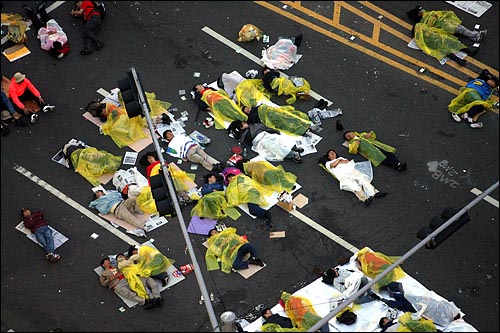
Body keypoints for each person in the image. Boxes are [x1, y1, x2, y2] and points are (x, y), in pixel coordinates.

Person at [407, 6, 485, 66]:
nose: (422, 11)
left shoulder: (419, 26)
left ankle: (461, 58)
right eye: (420, 11)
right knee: (450, 43)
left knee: (446, 46)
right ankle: (468, 51)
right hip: (436, 37)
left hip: (435, 38)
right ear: (418, 14)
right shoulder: (420, 25)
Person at [319, 149, 387, 206]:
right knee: (354, 186)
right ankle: (365, 199)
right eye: (330, 153)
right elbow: (333, 165)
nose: (332, 153)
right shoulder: (328, 163)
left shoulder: (341, 157)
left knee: (363, 180)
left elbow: (347, 162)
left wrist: (339, 161)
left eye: (333, 152)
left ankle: (375, 193)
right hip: (343, 175)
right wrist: (339, 161)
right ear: (328, 157)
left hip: (351, 171)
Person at [228, 120, 303, 163]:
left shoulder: (254, 126)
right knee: (274, 147)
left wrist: (275, 132)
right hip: (261, 142)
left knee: (279, 139)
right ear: (241, 127)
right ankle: (293, 154)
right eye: (244, 123)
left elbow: (266, 128)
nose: (246, 123)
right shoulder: (244, 135)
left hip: (266, 135)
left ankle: (294, 147)